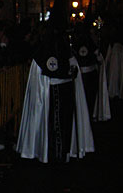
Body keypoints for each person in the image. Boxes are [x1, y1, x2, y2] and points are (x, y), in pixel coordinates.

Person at [16, 22, 94, 163]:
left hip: (64, 91)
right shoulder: (43, 52)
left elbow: (72, 68)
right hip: (51, 93)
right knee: (55, 126)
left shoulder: (64, 51)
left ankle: (62, 152)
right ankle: (54, 153)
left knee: (63, 125)